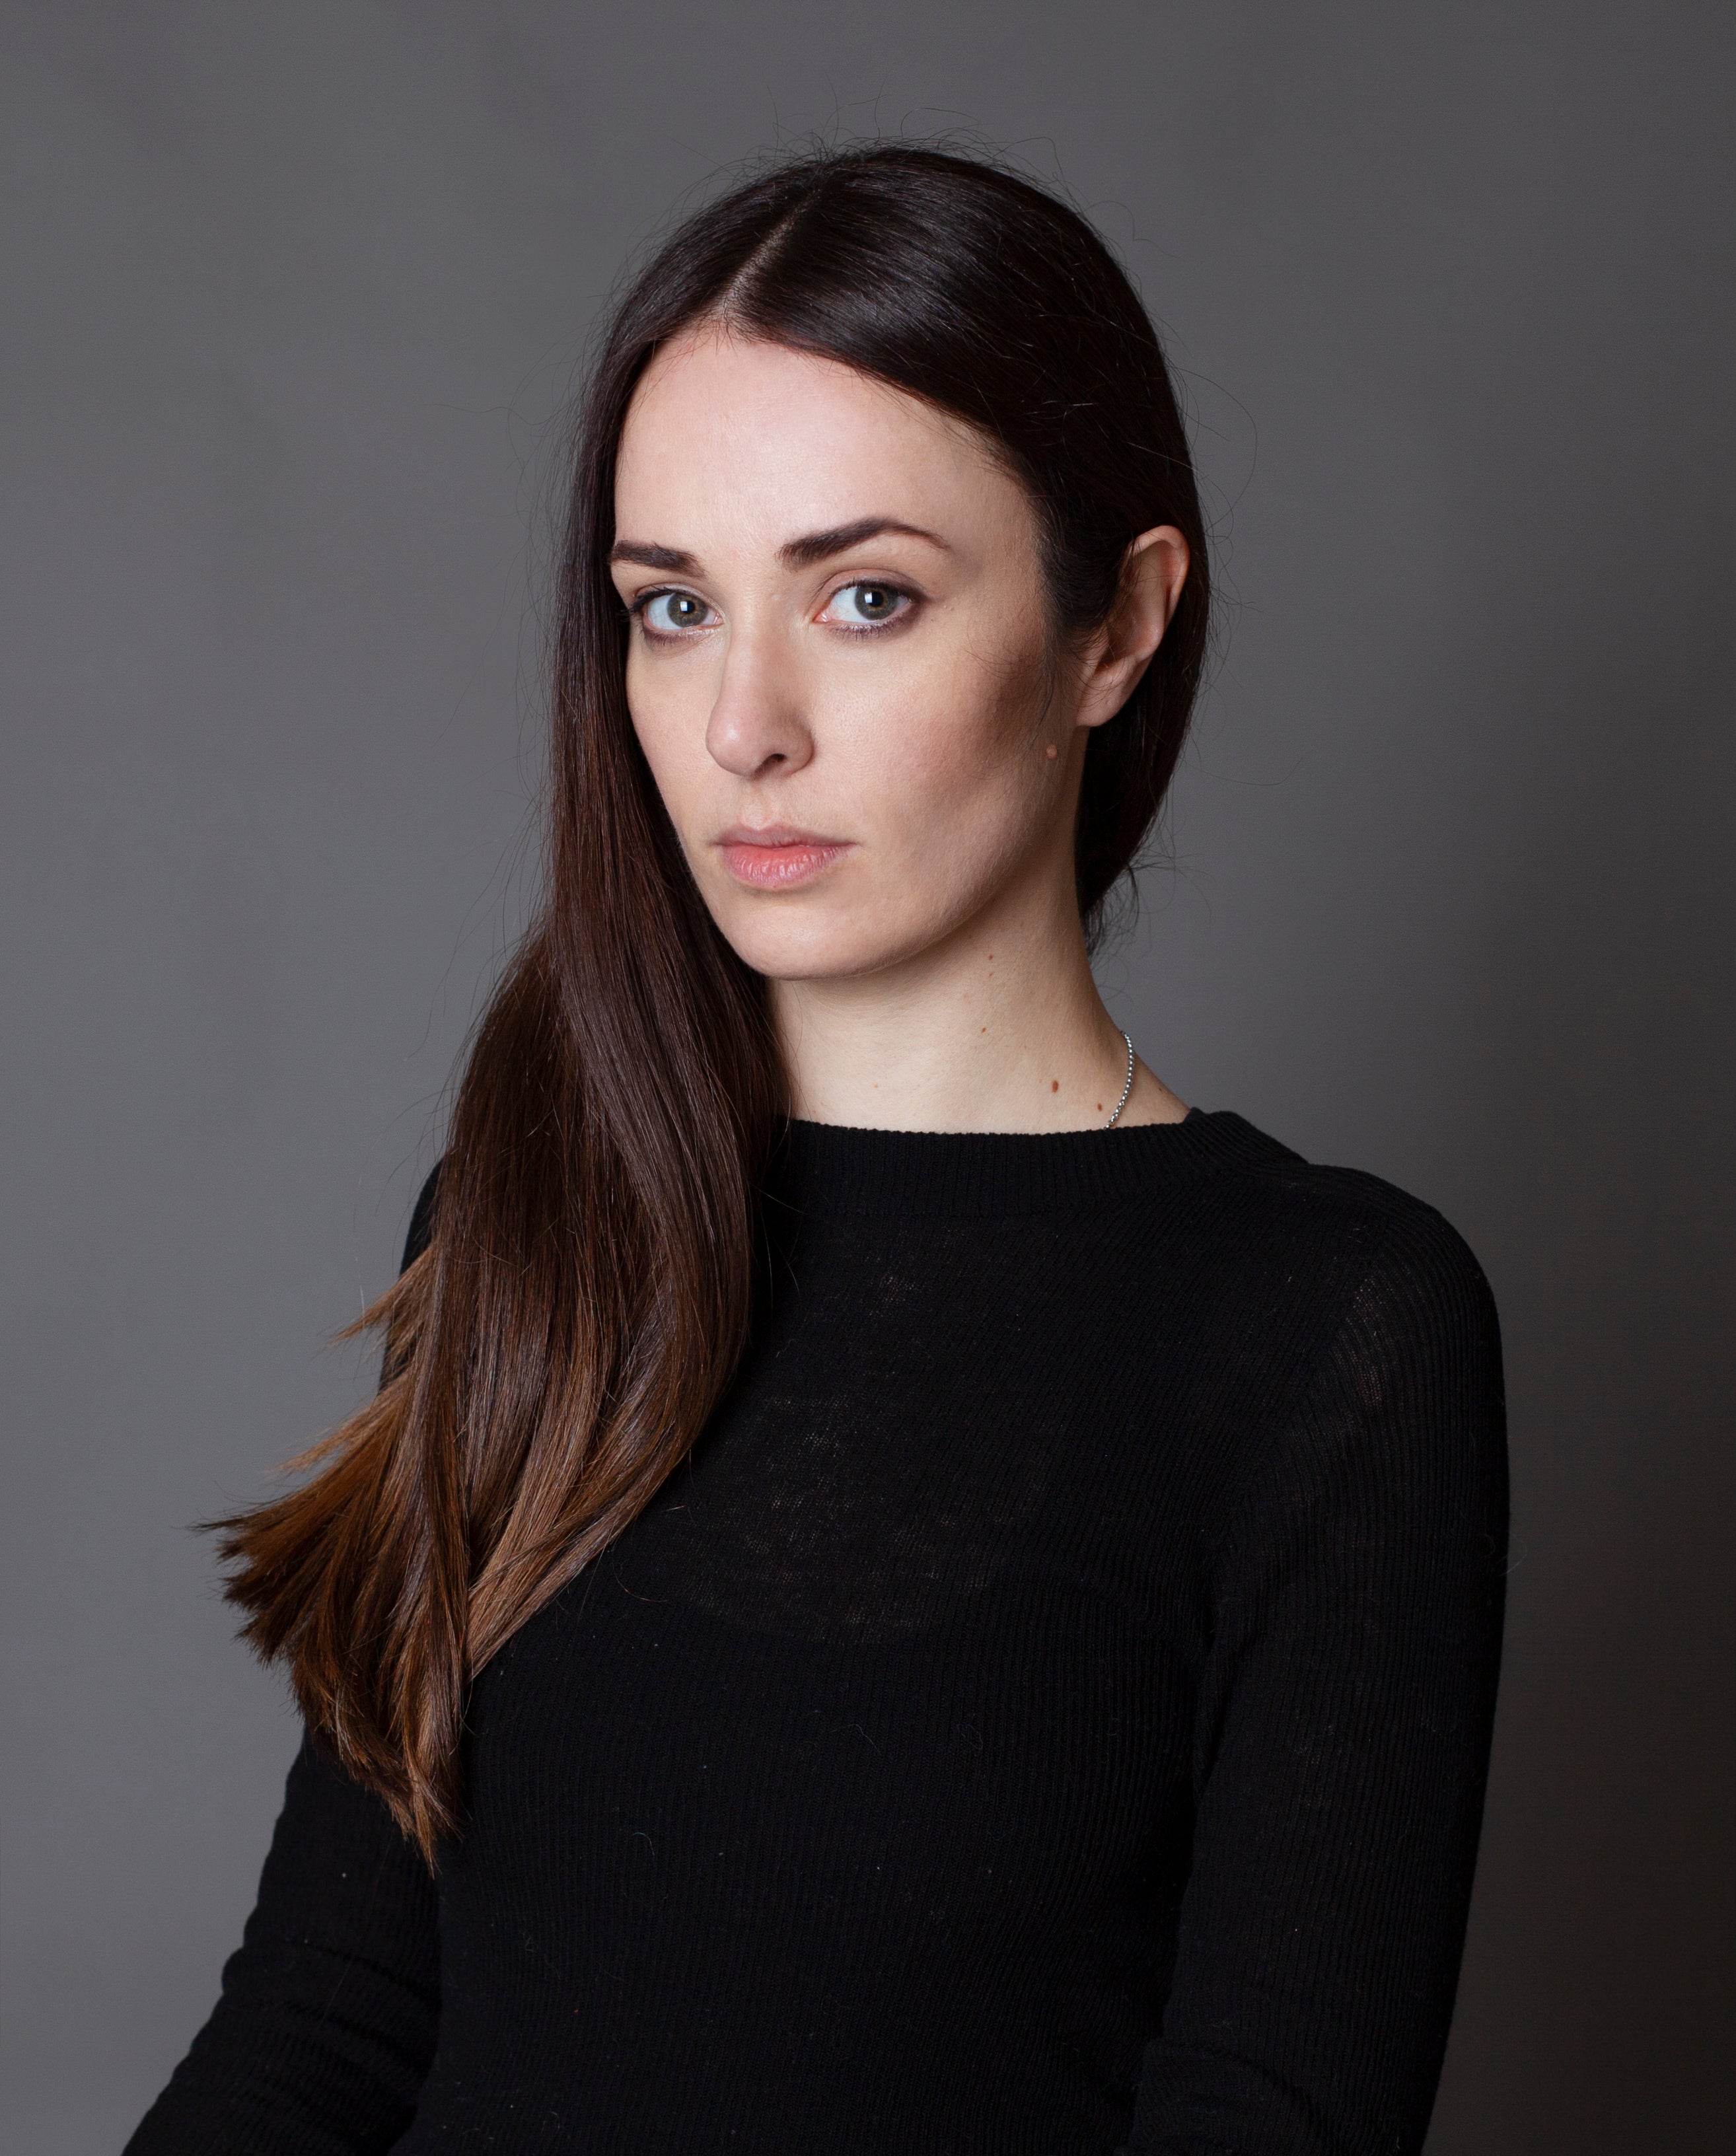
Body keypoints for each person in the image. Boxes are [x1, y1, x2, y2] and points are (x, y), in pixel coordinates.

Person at [126, 143, 1507, 2156]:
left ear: (1115, 627)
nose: (740, 725)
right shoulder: (533, 1227)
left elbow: (1269, 2117)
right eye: (671, 608)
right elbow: (325, 2028)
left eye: (865, 598)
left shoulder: (1325, 1325)